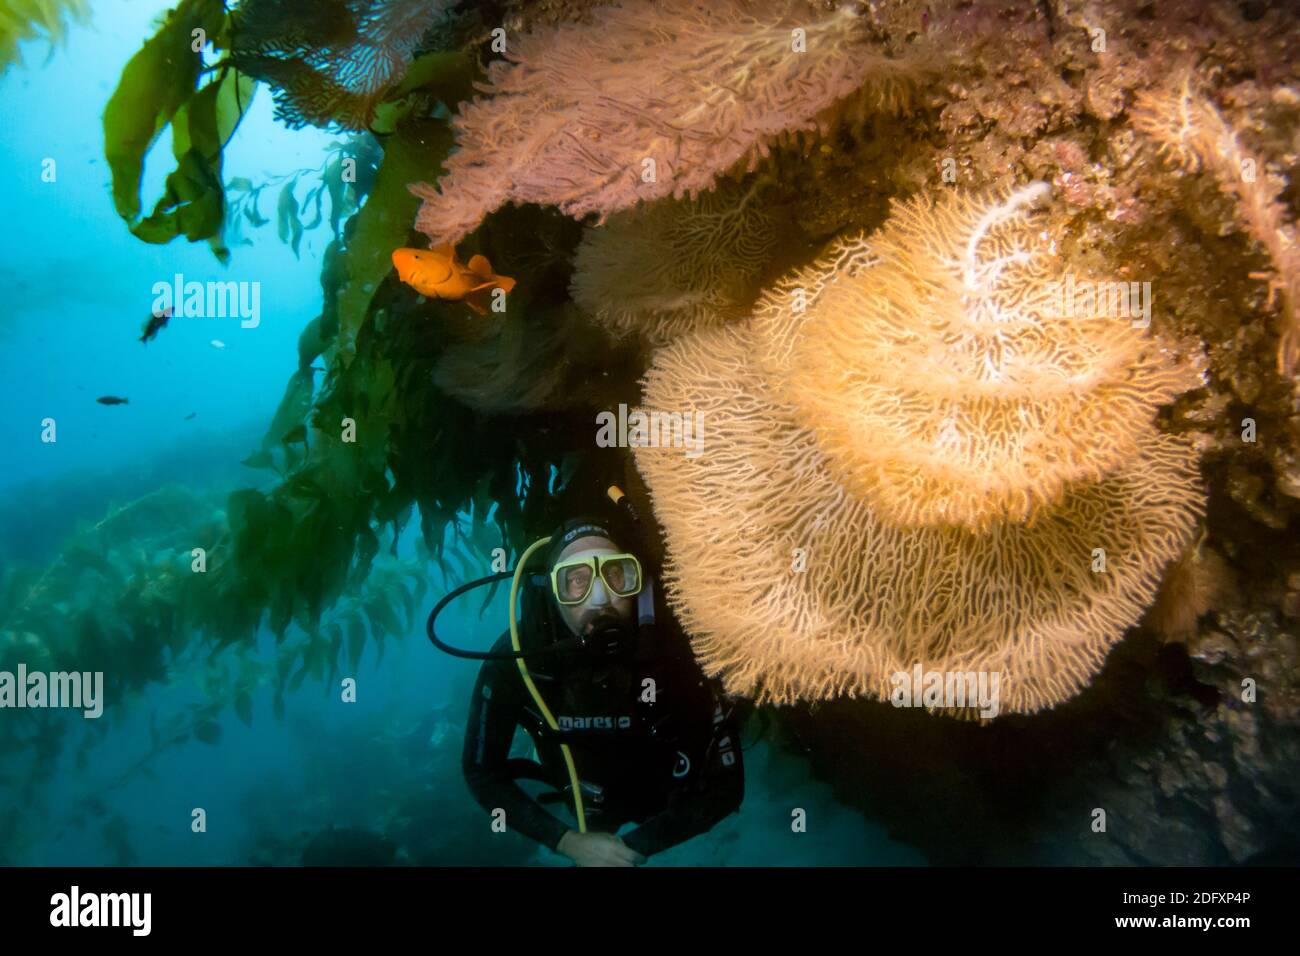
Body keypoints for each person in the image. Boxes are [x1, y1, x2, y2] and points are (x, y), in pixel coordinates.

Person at [462, 515, 745, 866]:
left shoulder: (678, 649)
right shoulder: (517, 659)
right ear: (552, 592)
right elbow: (481, 772)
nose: (600, 598)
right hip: (582, 806)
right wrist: (567, 841)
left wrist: (631, 848)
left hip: (664, 800)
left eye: (615, 574)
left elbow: (725, 789)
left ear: (635, 580)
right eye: (576, 581)